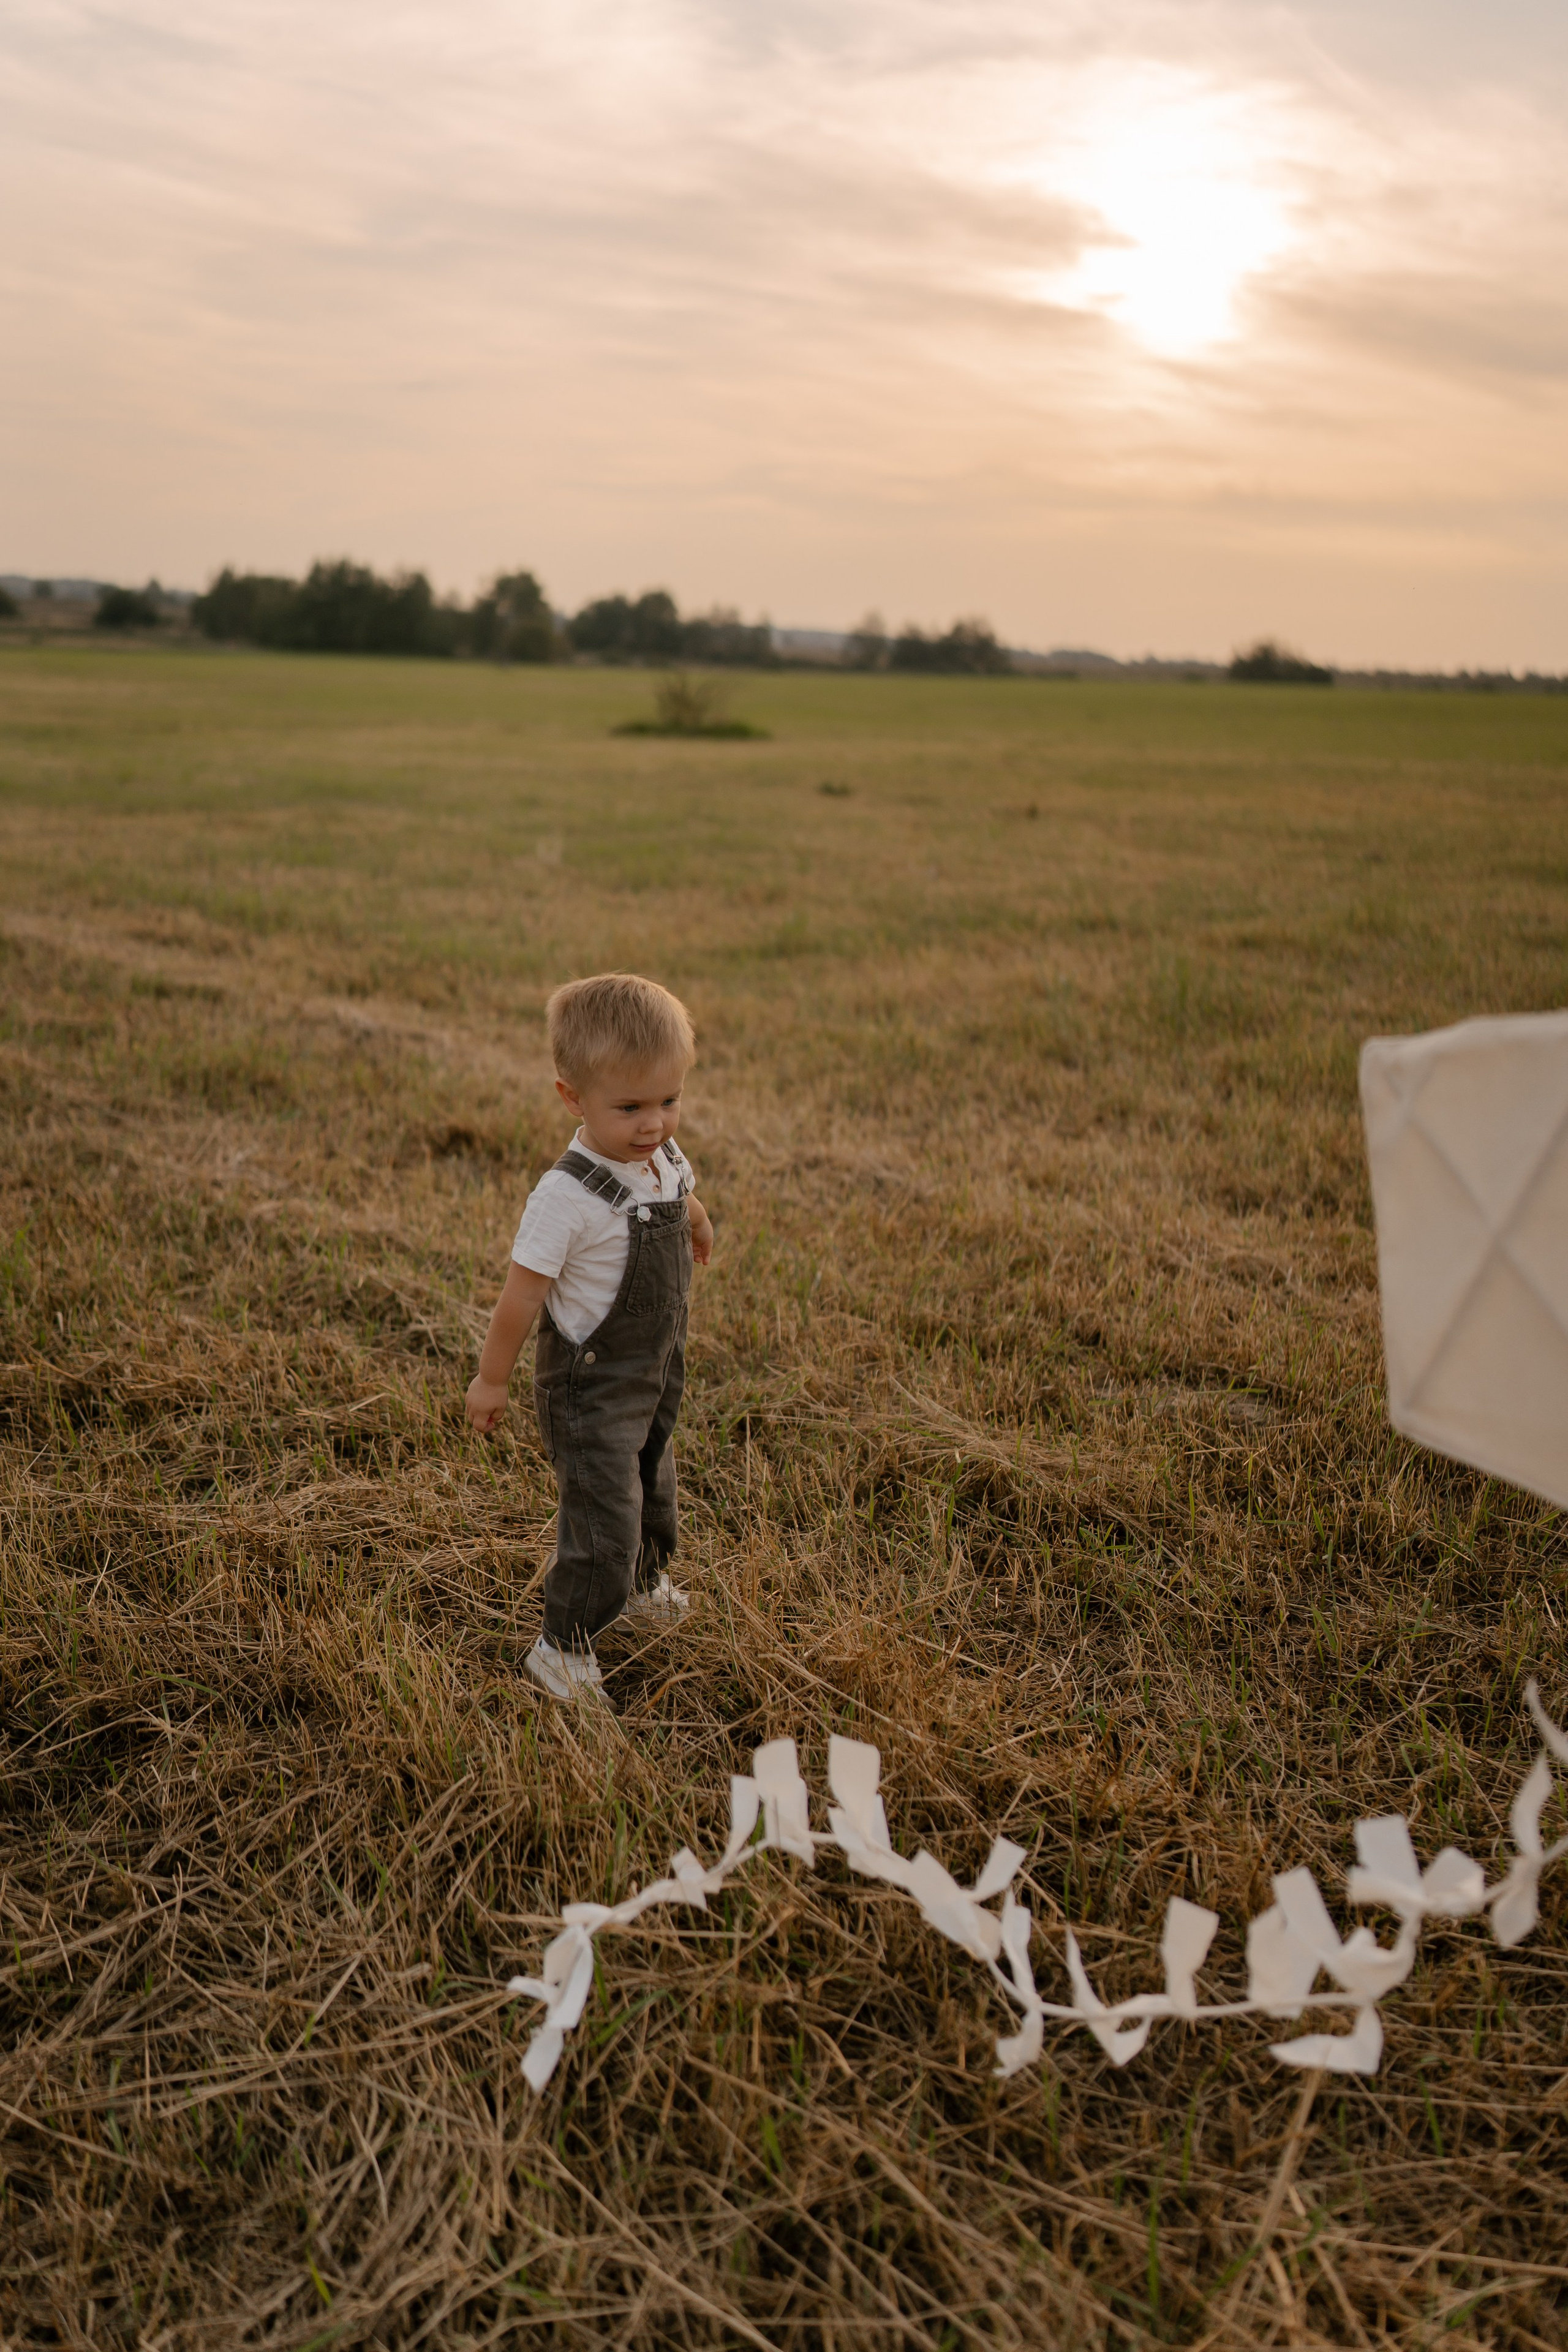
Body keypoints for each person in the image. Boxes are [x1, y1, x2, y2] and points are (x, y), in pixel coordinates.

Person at [466, 973, 715, 1702]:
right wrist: (492, 1378)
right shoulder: (567, 1197)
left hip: (654, 1370)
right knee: (603, 1515)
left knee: (652, 1484)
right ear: (572, 1098)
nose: (655, 1125)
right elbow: (521, 1296)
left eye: (670, 1101)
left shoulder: (661, 1161)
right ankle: (563, 1645)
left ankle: (641, 1584)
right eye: (631, 1107)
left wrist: (698, 1221)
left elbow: (679, 1192)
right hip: (591, 1386)